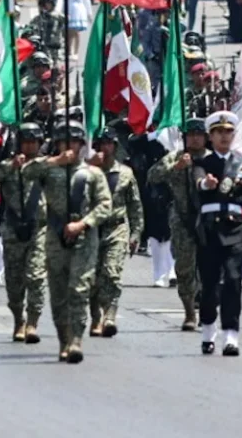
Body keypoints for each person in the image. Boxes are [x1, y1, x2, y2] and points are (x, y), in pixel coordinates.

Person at [28, 122, 110, 363]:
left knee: (79, 289)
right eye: (64, 142)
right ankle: (63, 339)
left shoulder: (93, 174)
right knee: (59, 292)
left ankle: (76, 340)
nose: (69, 147)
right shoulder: (49, 170)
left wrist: (84, 223)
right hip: (55, 237)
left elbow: (105, 205)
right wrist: (53, 161)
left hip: (84, 238)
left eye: (74, 142)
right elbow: (26, 172)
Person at [190, 112, 242, 356]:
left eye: (228, 132)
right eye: (219, 132)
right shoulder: (202, 163)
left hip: (235, 230)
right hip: (209, 232)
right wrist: (206, 184)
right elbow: (199, 181)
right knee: (209, 285)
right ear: (211, 136)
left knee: (233, 280)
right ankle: (209, 330)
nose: (224, 136)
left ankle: (231, 334)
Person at [0, 122, 49, 343]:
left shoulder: (47, 166)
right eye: (26, 142)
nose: (30, 146)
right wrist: (10, 167)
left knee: (36, 277)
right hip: (13, 229)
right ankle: (18, 319)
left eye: (34, 142)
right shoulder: (9, 165)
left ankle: (32, 322)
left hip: (39, 229)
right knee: (14, 281)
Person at [149, 118, 208, 331]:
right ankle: (189, 312)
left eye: (199, 135)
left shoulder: (212, 159)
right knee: (184, 268)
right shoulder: (176, 157)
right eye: (191, 135)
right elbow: (153, 176)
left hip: (208, 221)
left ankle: (206, 307)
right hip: (182, 220)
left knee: (208, 268)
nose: (195, 139)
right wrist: (177, 167)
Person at [88, 123, 143, 339]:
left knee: (111, 273)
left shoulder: (125, 173)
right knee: (92, 278)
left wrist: (136, 233)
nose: (106, 147)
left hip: (116, 229)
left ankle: (109, 316)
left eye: (109, 143)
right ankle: (95, 317)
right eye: (102, 143)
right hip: (92, 230)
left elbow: (135, 205)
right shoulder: (87, 172)